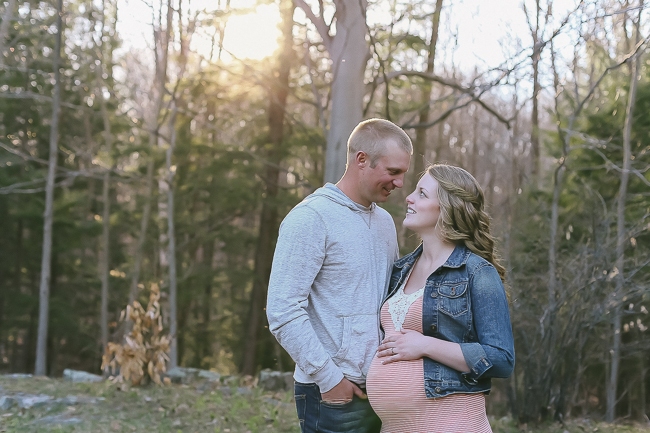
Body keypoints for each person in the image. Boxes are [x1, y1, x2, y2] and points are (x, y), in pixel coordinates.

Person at [266, 118, 413, 433]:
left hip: (381, 387)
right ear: (361, 160)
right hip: (333, 394)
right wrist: (330, 380)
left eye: (403, 173)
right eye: (393, 172)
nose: (400, 183)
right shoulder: (311, 218)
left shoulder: (386, 223)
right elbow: (282, 310)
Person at [366, 163, 515, 433]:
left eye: (422, 193)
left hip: (451, 423)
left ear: (447, 209)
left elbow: (501, 359)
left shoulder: (477, 272)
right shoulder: (400, 269)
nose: (409, 197)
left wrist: (425, 345)